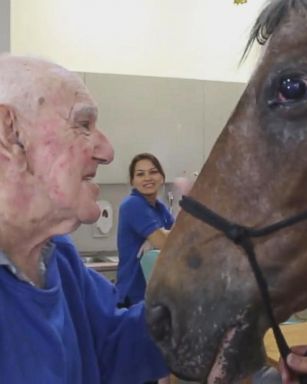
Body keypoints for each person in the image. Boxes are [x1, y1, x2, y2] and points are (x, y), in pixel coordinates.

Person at [0, 54, 169, 384]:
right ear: (9, 134)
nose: (107, 151)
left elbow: (115, 345)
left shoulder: (58, 256)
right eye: (83, 124)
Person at [116, 153, 174, 308]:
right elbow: (164, 242)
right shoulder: (133, 204)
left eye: (153, 172)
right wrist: (158, 239)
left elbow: (180, 235)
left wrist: (153, 240)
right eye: (140, 174)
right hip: (134, 297)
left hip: (154, 294)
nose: (147, 178)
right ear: (132, 181)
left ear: (162, 177)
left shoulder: (160, 207)